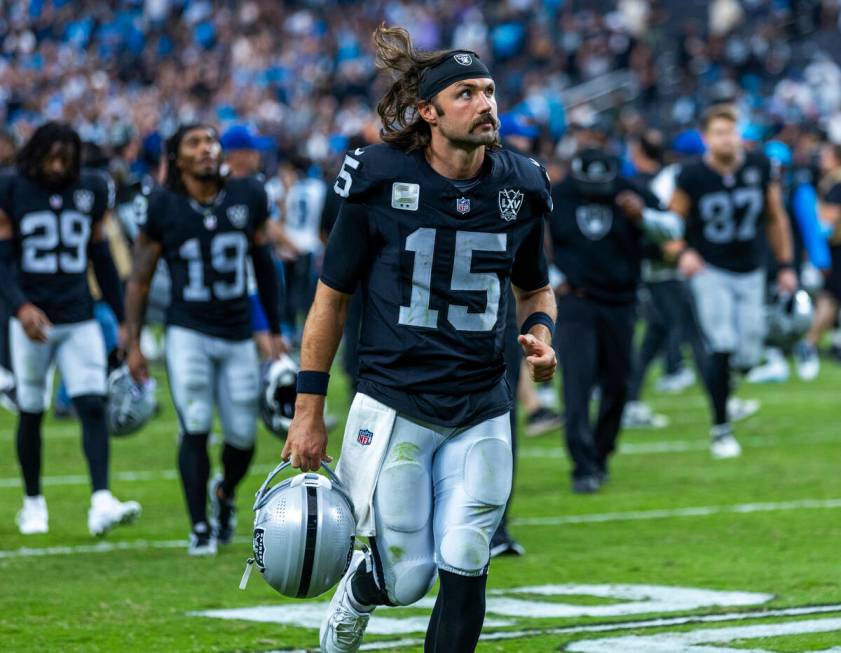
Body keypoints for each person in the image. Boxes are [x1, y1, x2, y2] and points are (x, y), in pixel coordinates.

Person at [283, 26, 557, 653]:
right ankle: (358, 592)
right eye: (467, 94)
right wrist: (308, 411)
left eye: (489, 91)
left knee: (467, 551)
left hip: (481, 403)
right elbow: (331, 299)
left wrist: (540, 334)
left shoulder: (522, 184)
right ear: (429, 113)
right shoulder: (378, 177)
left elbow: (535, 289)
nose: (486, 103)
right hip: (395, 400)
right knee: (406, 579)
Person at [124, 124, 284, 556]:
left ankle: (224, 494)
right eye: (194, 143)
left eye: (210, 141)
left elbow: (265, 264)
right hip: (187, 330)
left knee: (242, 437)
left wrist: (273, 326)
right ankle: (199, 525)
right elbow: (139, 279)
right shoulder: (162, 204)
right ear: (177, 157)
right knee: (194, 422)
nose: (206, 149)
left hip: (235, 332)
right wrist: (133, 340)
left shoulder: (248, 194)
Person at [0, 121, 141, 536]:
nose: (59, 165)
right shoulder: (12, 188)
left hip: (78, 313)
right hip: (33, 320)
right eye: (52, 156)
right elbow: (2, 260)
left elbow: (102, 258)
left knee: (92, 405)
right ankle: (32, 503)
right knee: (30, 408)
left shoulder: (92, 188)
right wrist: (21, 307)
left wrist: (123, 320)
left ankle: (101, 500)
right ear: (36, 154)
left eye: (67, 157)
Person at [666, 104, 797, 458]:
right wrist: (682, 253)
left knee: (750, 352)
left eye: (731, 131)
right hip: (711, 269)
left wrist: (785, 264)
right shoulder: (691, 175)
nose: (727, 139)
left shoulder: (758, 166)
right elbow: (670, 226)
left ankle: (725, 386)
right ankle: (721, 428)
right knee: (721, 342)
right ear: (706, 139)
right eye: (719, 132)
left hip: (751, 269)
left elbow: (775, 217)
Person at [549, 147, 682, 493]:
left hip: (621, 302)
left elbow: (673, 228)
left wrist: (642, 218)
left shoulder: (632, 189)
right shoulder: (557, 194)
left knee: (618, 383)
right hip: (575, 300)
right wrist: (550, 274)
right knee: (577, 382)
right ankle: (582, 465)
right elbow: (532, 236)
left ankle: (601, 452)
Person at [795, 142, 841, 380]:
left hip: (836, 247)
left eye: (825, 155)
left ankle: (811, 341)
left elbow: (829, 217)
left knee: (830, 297)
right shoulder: (831, 181)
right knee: (830, 298)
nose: (821, 159)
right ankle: (809, 341)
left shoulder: (836, 181)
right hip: (835, 249)